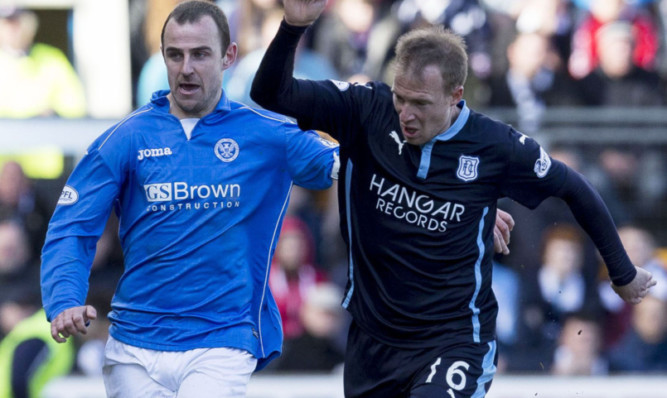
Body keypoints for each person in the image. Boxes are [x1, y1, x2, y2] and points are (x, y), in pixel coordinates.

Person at [250, 1, 657, 396]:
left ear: (455, 95)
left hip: (455, 339)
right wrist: (293, 25)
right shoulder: (365, 110)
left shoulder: (495, 145)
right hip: (373, 342)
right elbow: (271, 93)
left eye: (421, 104)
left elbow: (575, 188)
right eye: (401, 98)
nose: (406, 114)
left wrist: (622, 272)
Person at [40, 1, 340, 397]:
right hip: (134, 344)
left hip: (223, 339)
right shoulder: (127, 138)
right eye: (175, 55)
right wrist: (64, 298)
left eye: (200, 54)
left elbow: (351, 168)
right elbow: (72, 225)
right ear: (162, 56)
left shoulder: (267, 135)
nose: (186, 68)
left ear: (228, 56)